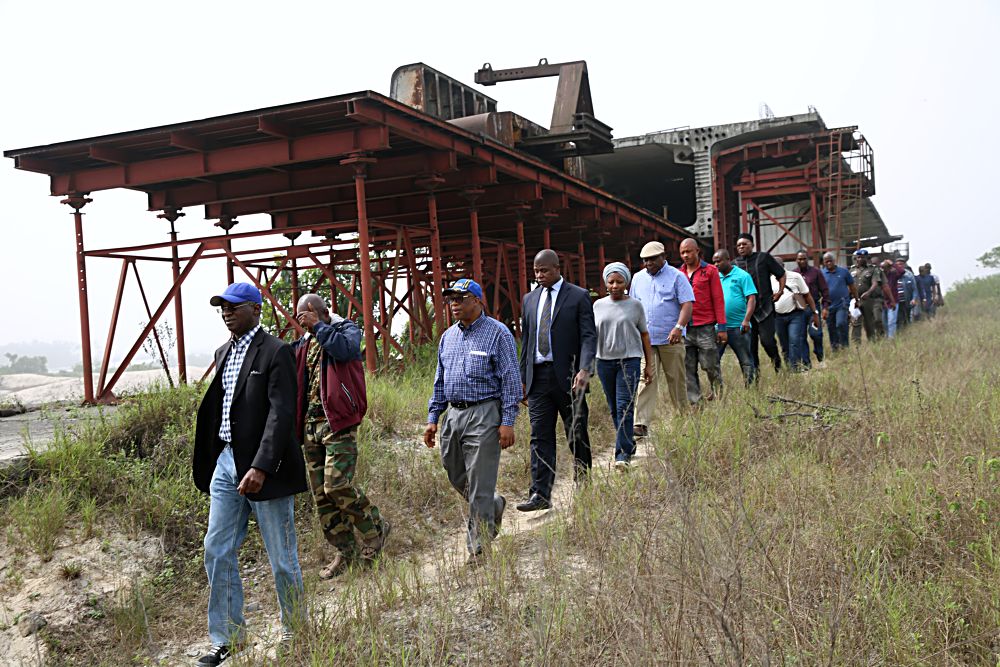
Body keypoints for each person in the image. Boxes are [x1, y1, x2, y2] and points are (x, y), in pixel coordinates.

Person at [192, 283, 306, 666]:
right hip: (226, 464)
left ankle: (295, 631)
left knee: (282, 558)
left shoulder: (276, 352)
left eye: (234, 307)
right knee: (216, 548)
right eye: (222, 307)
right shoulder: (223, 351)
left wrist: (260, 465)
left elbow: (281, 414)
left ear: (255, 309)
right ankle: (227, 638)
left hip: (264, 467)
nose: (226, 312)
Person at [291, 294, 389, 580]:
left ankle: (376, 527)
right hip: (311, 426)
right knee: (321, 495)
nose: (302, 322)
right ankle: (345, 550)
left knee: (336, 485)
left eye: (305, 315)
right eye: (299, 318)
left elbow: (346, 351)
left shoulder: (345, 330)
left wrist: (319, 327)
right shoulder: (304, 344)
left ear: (320, 311)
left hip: (338, 423)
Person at [424, 279, 521, 561]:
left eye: (461, 298)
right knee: (454, 470)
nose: (454, 303)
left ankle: (478, 548)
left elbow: (511, 380)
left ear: (477, 301)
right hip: (453, 415)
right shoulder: (447, 337)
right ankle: (492, 504)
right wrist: (433, 418)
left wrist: (508, 421)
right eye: (451, 298)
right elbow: (439, 381)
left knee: (480, 479)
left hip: (484, 413)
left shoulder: (497, 334)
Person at [517, 250, 596, 512]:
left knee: (576, 431)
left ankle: (583, 482)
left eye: (545, 270)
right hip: (538, 378)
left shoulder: (578, 296)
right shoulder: (529, 300)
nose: (539, 275)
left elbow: (588, 336)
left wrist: (584, 369)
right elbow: (527, 342)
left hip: (570, 376)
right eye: (536, 271)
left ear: (557, 268)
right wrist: (522, 380)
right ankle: (540, 494)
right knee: (540, 435)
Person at [592, 262, 654, 469]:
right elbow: (592, 335)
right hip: (604, 362)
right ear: (605, 283)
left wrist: (649, 365)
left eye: (620, 281)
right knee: (613, 408)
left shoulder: (635, 305)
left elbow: (645, 335)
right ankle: (629, 443)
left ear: (626, 282)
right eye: (611, 282)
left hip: (629, 361)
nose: (615, 286)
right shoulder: (597, 305)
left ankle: (622, 454)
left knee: (624, 407)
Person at [629, 241, 694, 437]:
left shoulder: (677, 277)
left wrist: (679, 327)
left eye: (652, 259)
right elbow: (633, 306)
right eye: (645, 260)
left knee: (676, 379)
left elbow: (687, 304)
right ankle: (640, 423)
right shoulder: (638, 278)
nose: (648, 263)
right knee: (646, 378)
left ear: (663, 257)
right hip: (646, 339)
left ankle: (683, 417)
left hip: (671, 339)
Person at [679, 238, 727, 404]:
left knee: (710, 364)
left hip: (705, 327)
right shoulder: (679, 273)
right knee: (687, 367)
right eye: (682, 252)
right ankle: (695, 401)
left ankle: (719, 395)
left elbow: (718, 299)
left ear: (697, 251)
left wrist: (722, 327)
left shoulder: (710, 271)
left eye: (689, 251)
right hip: (686, 328)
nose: (685, 255)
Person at [734, 233, 785, 374]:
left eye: (744, 244)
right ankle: (754, 375)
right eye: (739, 245)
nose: (741, 247)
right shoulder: (735, 265)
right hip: (745, 313)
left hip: (765, 308)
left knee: (767, 341)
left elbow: (780, 274)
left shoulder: (763, 258)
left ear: (752, 244)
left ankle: (777, 363)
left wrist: (780, 291)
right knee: (751, 346)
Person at [712, 249, 758, 386]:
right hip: (719, 327)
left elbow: (751, 298)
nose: (716, 264)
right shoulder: (714, 277)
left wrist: (746, 320)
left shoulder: (743, 276)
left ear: (728, 259)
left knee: (746, 360)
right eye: (714, 262)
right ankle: (717, 390)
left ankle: (750, 389)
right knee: (714, 361)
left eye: (718, 261)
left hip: (739, 327)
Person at [772, 270, 820, 371]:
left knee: (794, 340)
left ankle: (795, 368)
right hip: (778, 317)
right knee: (784, 344)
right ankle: (789, 366)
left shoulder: (795, 276)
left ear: (782, 267)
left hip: (795, 315)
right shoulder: (770, 279)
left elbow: (807, 295)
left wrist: (815, 313)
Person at [795, 250, 830, 367]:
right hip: (799, 309)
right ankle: (806, 363)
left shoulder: (815, 272)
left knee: (816, 334)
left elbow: (824, 290)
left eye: (804, 258)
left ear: (807, 259)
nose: (802, 261)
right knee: (801, 337)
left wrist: (825, 307)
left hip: (813, 307)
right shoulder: (793, 274)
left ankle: (820, 355)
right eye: (799, 259)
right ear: (796, 260)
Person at [850, 249, 892, 343]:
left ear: (867, 258)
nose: (860, 259)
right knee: (856, 321)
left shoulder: (873, 269)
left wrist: (868, 292)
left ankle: (878, 339)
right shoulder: (852, 270)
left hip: (870, 299)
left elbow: (875, 283)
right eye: (858, 257)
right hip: (856, 300)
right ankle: (856, 344)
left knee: (873, 321)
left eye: (862, 257)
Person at [821, 252, 858, 351]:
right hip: (828, 305)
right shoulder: (821, 274)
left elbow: (852, 287)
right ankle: (835, 348)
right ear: (824, 262)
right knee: (831, 327)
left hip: (842, 303)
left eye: (830, 261)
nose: (829, 263)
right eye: (826, 261)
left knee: (841, 323)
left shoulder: (844, 272)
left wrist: (856, 299)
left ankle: (845, 345)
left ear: (834, 261)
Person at [894, 259, 917, 330]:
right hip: (896, 301)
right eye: (897, 264)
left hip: (907, 300)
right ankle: (898, 333)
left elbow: (914, 289)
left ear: (904, 265)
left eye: (901, 264)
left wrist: (914, 299)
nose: (899, 265)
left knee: (907, 318)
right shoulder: (892, 274)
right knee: (897, 318)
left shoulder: (909, 275)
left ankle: (907, 332)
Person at [880, 259, 901, 338]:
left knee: (891, 321)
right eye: (881, 267)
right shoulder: (879, 275)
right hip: (882, 302)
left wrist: (893, 264)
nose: (883, 269)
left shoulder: (893, 274)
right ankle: (885, 337)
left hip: (893, 301)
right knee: (883, 322)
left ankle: (891, 338)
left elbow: (902, 271)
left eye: (885, 267)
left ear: (888, 268)